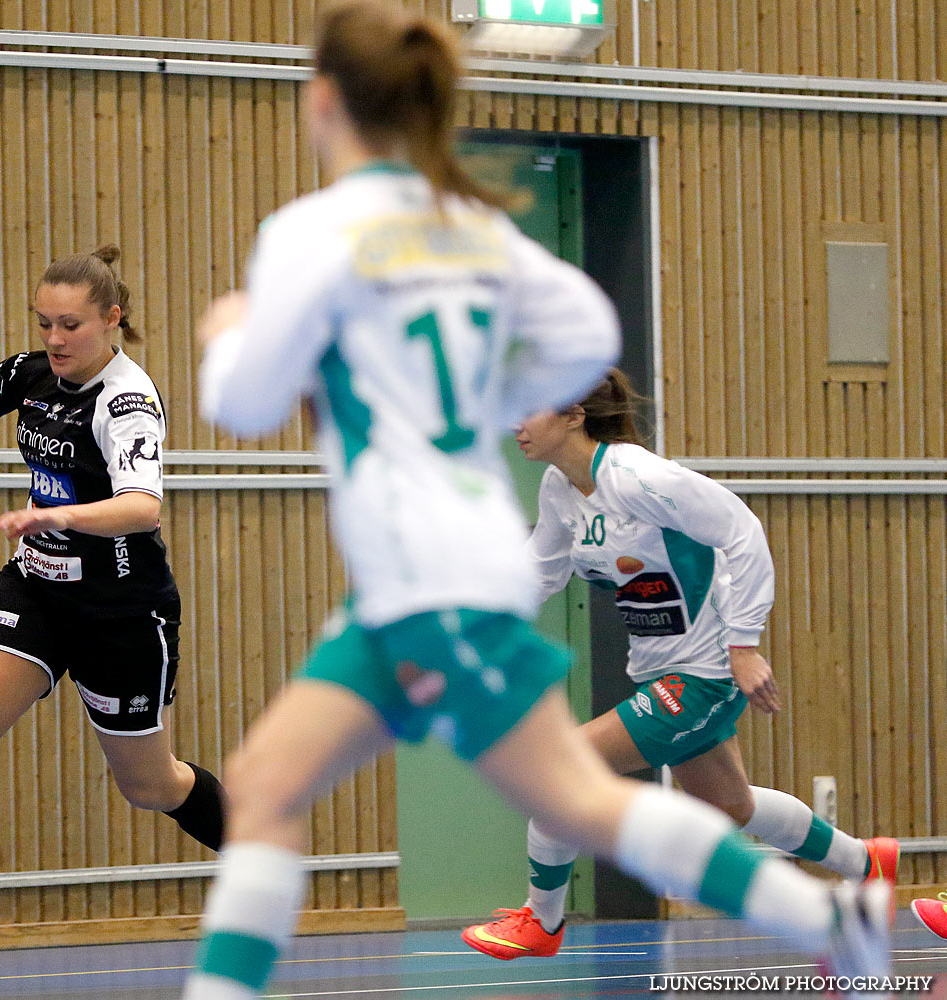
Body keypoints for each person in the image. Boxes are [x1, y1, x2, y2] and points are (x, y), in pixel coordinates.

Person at [181, 4, 892, 999]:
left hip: (432, 576)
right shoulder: (474, 227)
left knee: (572, 799)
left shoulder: (314, 233)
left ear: (324, 100)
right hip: (425, 579)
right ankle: (829, 915)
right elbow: (586, 331)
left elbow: (244, 403)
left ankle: (824, 916)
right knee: (270, 784)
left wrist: (229, 331)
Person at [462, 369, 898, 959]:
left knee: (560, 768)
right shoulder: (560, 491)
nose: (515, 423)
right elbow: (540, 569)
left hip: (704, 672)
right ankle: (868, 862)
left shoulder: (639, 477)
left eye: (531, 408)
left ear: (573, 416)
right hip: (660, 668)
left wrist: (743, 645)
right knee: (732, 807)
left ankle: (543, 923)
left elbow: (742, 531)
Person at [0, 245, 225, 963]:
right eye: (45, 324)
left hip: (121, 613)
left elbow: (140, 508)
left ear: (112, 320)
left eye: (71, 326)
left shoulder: (126, 401)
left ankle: (259, 856)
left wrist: (60, 517)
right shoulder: (32, 376)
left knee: (152, 787)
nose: (55, 340)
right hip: (36, 589)